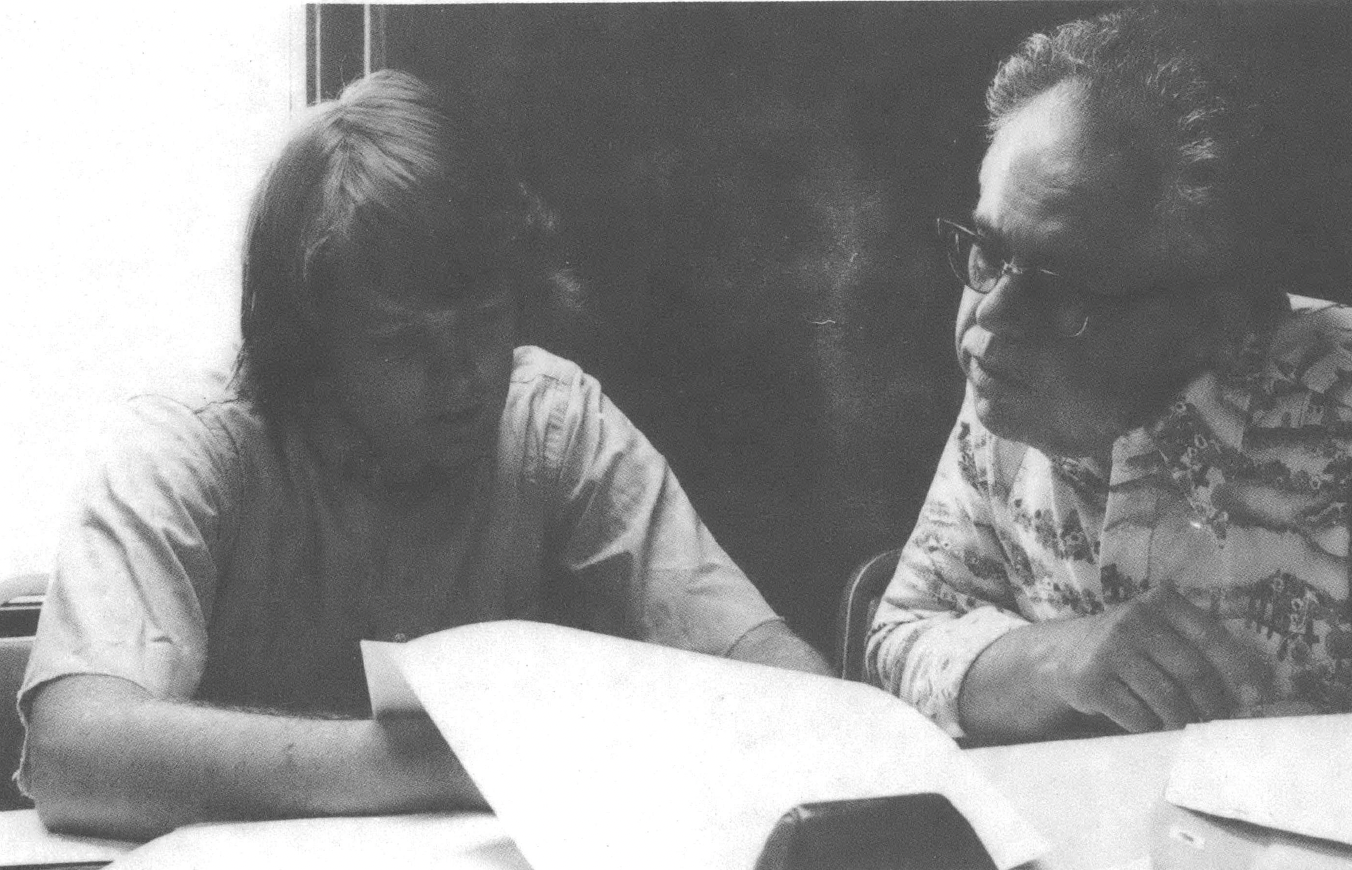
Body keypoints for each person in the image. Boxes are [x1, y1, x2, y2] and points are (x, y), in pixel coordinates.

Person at [19, 70, 830, 838]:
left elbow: (788, 686)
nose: (467, 377)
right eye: (404, 345)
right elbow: (74, 752)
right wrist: (456, 761)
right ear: (310, 351)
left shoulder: (549, 424)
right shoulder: (191, 449)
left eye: (484, 321)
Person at [868, 6, 1352, 744]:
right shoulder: (1008, 390)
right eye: (990, 251)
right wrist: (1052, 664)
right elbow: (900, 636)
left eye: (1059, 289)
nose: (990, 317)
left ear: (1211, 323)